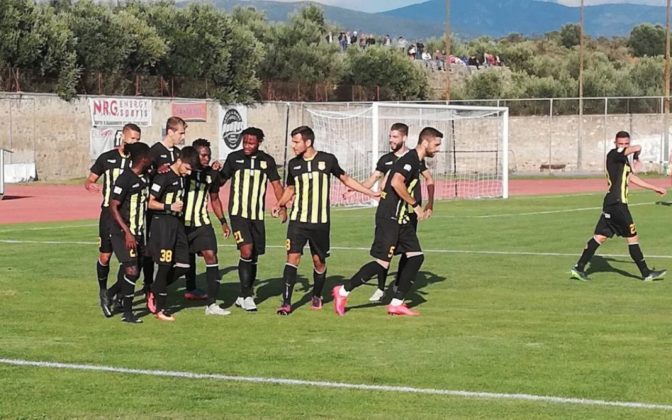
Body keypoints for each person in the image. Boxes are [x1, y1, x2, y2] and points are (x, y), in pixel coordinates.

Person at [332, 127, 443, 317]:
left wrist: (428, 204)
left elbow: (417, 180)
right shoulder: (409, 160)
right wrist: (415, 205)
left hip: (401, 219)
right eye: (436, 144)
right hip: (389, 217)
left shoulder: (417, 160)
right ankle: (342, 291)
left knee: (416, 257)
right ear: (425, 142)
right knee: (382, 264)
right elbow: (395, 182)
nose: (438, 148)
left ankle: (396, 304)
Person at [271, 126, 378, 315]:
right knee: (292, 258)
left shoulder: (327, 160)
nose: (293, 145)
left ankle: (317, 294)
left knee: (318, 262)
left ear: (308, 142)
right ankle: (286, 303)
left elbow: (346, 179)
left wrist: (370, 192)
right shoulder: (294, 164)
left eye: (296, 142)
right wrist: (280, 204)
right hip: (297, 221)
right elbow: (290, 188)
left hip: (320, 223)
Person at [570, 131, 667, 282]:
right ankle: (646, 273)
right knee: (632, 237)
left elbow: (631, 177)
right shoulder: (613, 154)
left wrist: (655, 188)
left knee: (600, 237)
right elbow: (637, 147)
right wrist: (636, 153)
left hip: (611, 203)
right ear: (615, 143)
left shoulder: (623, 161)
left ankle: (579, 268)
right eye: (620, 143)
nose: (623, 146)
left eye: (626, 144)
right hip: (618, 204)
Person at [219, 127, 285, 312]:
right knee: (246, 251)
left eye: (251, 143)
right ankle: (247, 295)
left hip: (257, 215)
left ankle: (242, 295)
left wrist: (282, 206)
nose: (247, 146)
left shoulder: (267, 161)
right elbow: (221, 180)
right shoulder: (234, 158)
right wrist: (214, 172)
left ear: (259, 142)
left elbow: (276, 185)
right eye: (245, 142)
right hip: (238, 214)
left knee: (254, 255)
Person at [85, 123, 141, 313]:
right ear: (123, 137)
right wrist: (90, 185)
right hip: (108, 215)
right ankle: (103, 291)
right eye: (132, 138)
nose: (135, 142)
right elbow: (90, 179)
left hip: (128, 216)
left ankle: (117, 294)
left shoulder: (138, 161)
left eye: (138, 139)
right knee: (105, 256)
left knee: (129, 259)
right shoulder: (107, 158)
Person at [146, 146, 200, 321]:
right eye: (187, 168)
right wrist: (169, 206)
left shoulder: (182, 176)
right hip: (162, 224)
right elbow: (149, 202)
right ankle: (160, 310)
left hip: (177, 224)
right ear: (179, 161)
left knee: (184, 264)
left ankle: (154, 289)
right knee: (165, 265)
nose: (188, 173)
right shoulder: (163, 177)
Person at [102, 142, 152, 324]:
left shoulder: (146, 176)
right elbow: (113, 206)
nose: (152, 159)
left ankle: (110, 294)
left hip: (138, 232)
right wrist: (127, 233)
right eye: (149, 156)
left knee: (134, 272)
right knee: (131, 270)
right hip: (122, 233)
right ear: (143, 159)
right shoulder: (125, 179)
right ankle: (128, 314)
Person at [182, 139, 231, 316]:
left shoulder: (211, 174)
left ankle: (211, 304)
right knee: (179, 265)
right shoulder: (183, 171)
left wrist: (223, 221)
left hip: (202, 223)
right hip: (181, 225)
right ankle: (155, 290)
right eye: (202, 155)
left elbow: (215, 199)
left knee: (211, 257)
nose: (206, 158)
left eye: (208, 155)